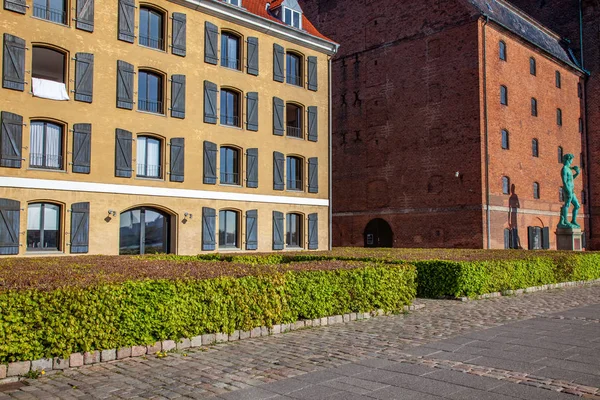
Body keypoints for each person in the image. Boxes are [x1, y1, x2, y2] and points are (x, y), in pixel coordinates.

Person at [559, 153, 581, 229]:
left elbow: (570, 179)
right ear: (569, 159)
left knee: (577, 205)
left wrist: (577, 173)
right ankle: (565, 220)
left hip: (572, 190)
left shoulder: (569, 169)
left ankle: (573, 221)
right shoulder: (565, 169)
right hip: (568, 190)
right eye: (571, 159)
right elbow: (564, 181)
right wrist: (568, 190)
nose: (572, 161)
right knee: (567, 204)